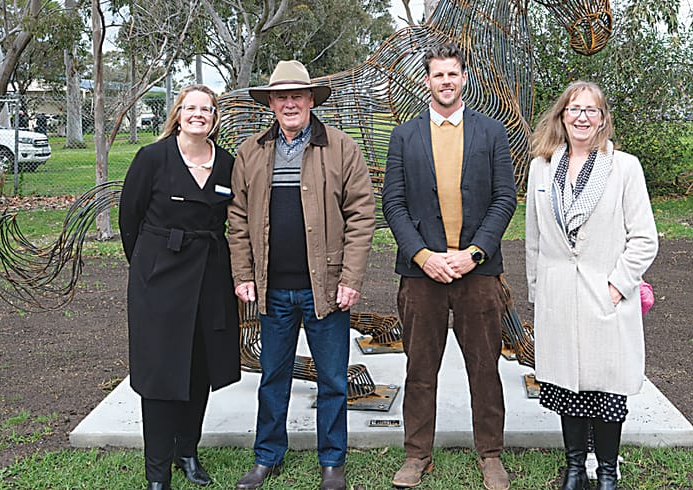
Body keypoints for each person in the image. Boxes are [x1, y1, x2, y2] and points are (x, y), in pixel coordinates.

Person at [228, 60, 376, 490]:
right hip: (272, 289)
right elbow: (237, 218)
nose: (290, 103)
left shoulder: (341, 148)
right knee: (273, 377)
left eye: (298, 96)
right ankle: (267, 456)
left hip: (325, 289)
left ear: (311, 100)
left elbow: (362, 215)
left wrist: (350, 278)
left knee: (332, 379)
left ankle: (332, 461)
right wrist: (243, 273)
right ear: (271, 103)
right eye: (281, 97)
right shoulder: (251, 152)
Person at [382, 45, 518, 490]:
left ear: (465, 78)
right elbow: (394, 204)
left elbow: (504, 200)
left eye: (453, 74)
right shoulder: (404, 137)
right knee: (420, 369)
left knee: (484, 367)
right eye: (437, 75)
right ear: (427, 81)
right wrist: (424, 256)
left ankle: (491, 454)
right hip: (423, 275)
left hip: (477, 273)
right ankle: (417, 454)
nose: (445, 81)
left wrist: (473, 253)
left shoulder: (492, 132)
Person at [524, 81, 658, 490]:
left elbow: (645, 238)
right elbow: (534, 238)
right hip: (559, 295)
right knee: (568, 385)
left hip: (606, 296)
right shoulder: (541, 167)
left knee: (607, 390)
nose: (582, 117)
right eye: (574, 109)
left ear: (602, 120)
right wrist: (538, 291)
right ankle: (574, 469)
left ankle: (607, 472)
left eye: (591, 110)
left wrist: (618, 285)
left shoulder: (625, 167)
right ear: (562, 116)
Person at [118, 84, 242, 490]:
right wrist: (149, 267)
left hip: (209, 276)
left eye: (206, 109)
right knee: (159, 373)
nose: (198, 115)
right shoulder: (152, 158)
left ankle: (187, 452)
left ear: (215, 117)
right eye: (191, 108)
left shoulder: (226, 163)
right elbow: (129, 221)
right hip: (160, 280)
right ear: (178, 113)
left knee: (199, 367)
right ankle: (157, 473)